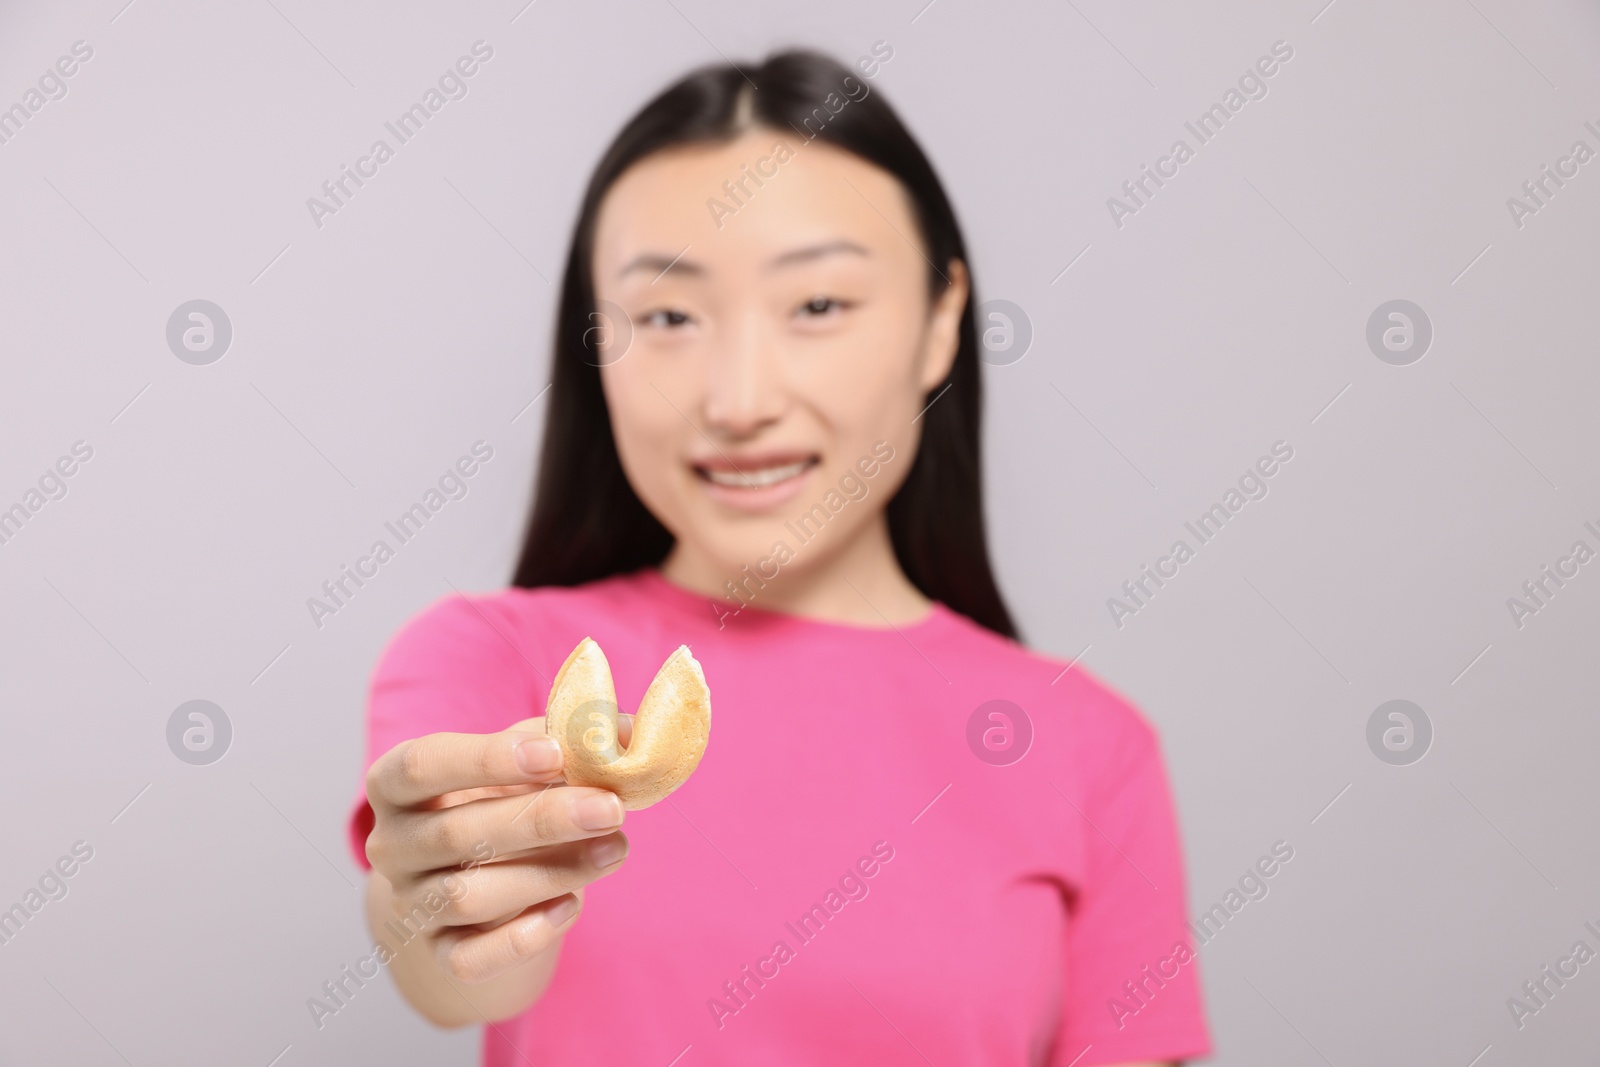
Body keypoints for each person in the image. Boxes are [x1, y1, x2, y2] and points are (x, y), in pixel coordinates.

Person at [346, 47, 1212, 1066]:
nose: (739, 397)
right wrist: (445, 906)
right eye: (666, 316)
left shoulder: (1089, 748)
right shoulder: (491, 660)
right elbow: (462, 966)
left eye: (816, 305)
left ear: (939, 322)